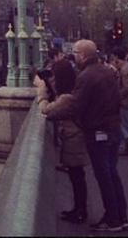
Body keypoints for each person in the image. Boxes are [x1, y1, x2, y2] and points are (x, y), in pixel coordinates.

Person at [39, 39, 127, 232]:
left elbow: (75, 107)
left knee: (104, 176)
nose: (74, 56)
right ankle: (122, 216)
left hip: (99, 133)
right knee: (112, 174)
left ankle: (112, 220)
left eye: (76, 53)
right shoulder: (107, 72)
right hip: (113, 130)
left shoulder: (87, 76)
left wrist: (49, 116)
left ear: (83, 55)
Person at [35, 59, 89, 224]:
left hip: (74, 139)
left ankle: (80, 212)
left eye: (54, 76)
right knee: (76, 175)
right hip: (74, 137)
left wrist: (41, 90)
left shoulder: (67, 97)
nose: (52, 80)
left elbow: (45, 109)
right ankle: (79, 209)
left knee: (77, 176)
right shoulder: (70, 93)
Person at [109, 44, 128, 156]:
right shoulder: (124, 67)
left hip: (125, 102)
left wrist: (118, 96)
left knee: (121, 123)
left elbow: (127, 87)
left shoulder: (125, 69)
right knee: (126, 124)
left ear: (116, 56)